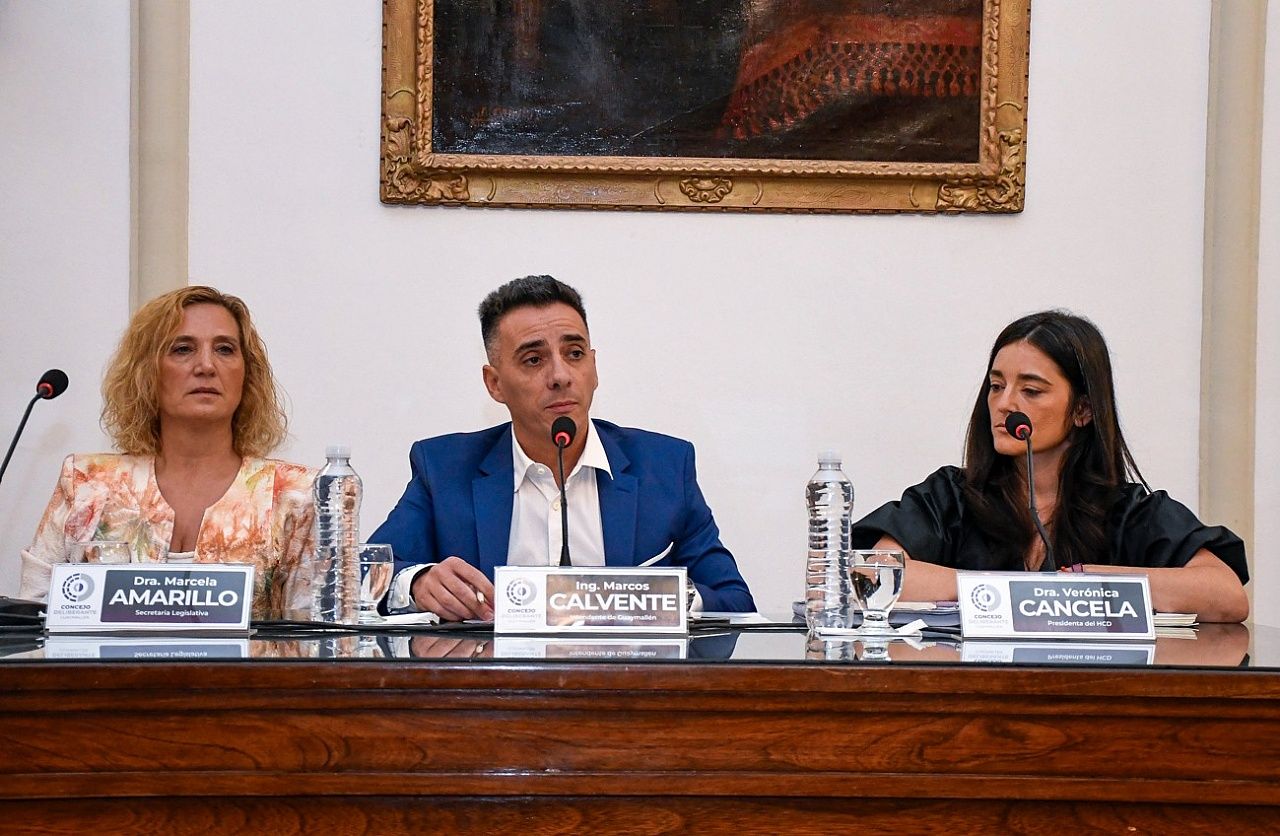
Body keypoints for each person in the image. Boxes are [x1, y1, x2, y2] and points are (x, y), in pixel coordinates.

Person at [372, 275, 755, 620]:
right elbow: (360, 571)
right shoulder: (444, 470)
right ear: (495, 384)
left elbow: (735, 602)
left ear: (594, 367)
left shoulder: (665, 468)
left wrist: (665, 596)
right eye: (533, 359)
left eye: (574, 354)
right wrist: (417, 583)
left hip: (625, 677)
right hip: (495, 676)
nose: (560, 376)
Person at [850, 310, 1249, 623]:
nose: (1004, 404)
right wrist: (1012, 594)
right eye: (996, 386)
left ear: (1083, 410)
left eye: (1031, 390)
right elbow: (870, 575)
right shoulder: (951, 497)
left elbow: (1226, 594)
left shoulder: (1127, 511)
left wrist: (1087, 585)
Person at [19, 286, 316, 619]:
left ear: (247, 374)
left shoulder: (295, 494)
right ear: (147, 372)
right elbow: (31, 619)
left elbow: (317, 634)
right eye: (183, 349)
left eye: (224, 349)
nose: (206, 365)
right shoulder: (87, 483)